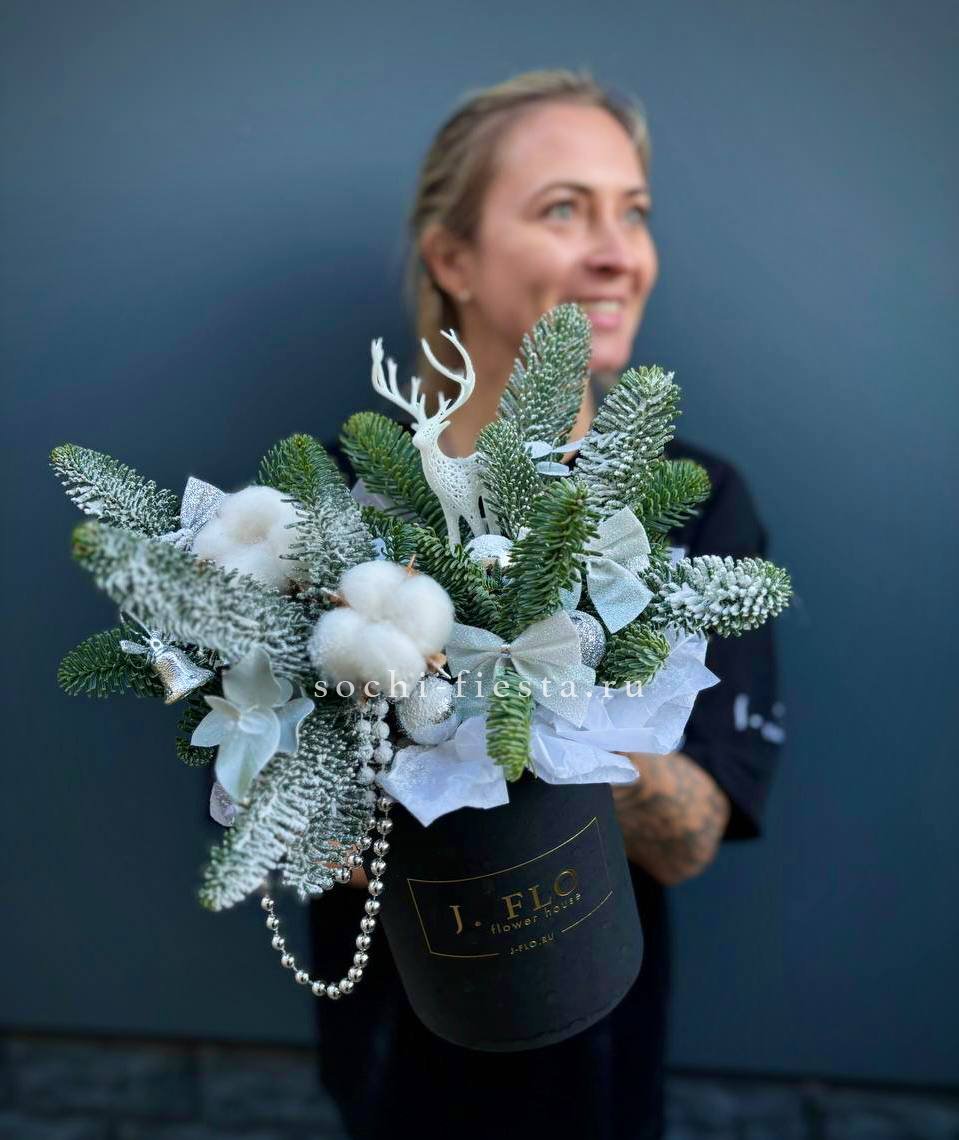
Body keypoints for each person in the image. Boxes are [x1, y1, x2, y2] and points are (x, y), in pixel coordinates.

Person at [310, 69, 782, 1140]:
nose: (618, 253)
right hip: (390, 1064)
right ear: (452, 259)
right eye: (563, 209)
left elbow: (689, 835)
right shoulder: (334, 502)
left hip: (597, 1065)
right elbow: (306, 829)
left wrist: (512, 685)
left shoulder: (695, 500)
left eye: (633, 212)